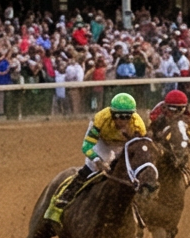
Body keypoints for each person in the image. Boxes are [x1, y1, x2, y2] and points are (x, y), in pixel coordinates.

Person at [54, 92, 148, 220]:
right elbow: (86, 146)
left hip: (124, 144)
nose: (123, 120)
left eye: (127, 116)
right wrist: (98, 160)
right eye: (119, 116)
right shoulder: (101, 119)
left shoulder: (138, 126)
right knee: (93, 166)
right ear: (111, 113)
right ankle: (67, 194)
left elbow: (140, 150)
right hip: (103, 141)